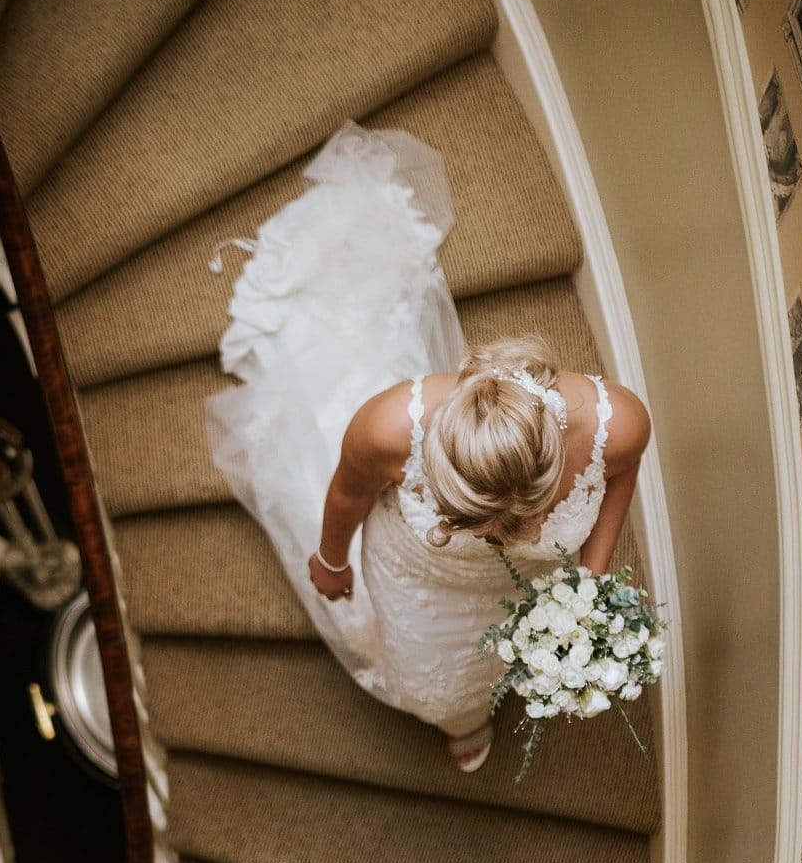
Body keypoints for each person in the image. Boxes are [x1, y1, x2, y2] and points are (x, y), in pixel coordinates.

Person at [206, 122, 650, 772]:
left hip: (532, 583)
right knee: (435, 672)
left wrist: (590, 578)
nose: (498, 535)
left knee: (503, 650)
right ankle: (458, 714)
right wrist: (332, 561)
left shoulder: (621, 424)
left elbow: (623, 476)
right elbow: (348, 492)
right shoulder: (386, 428)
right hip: (419, 581)